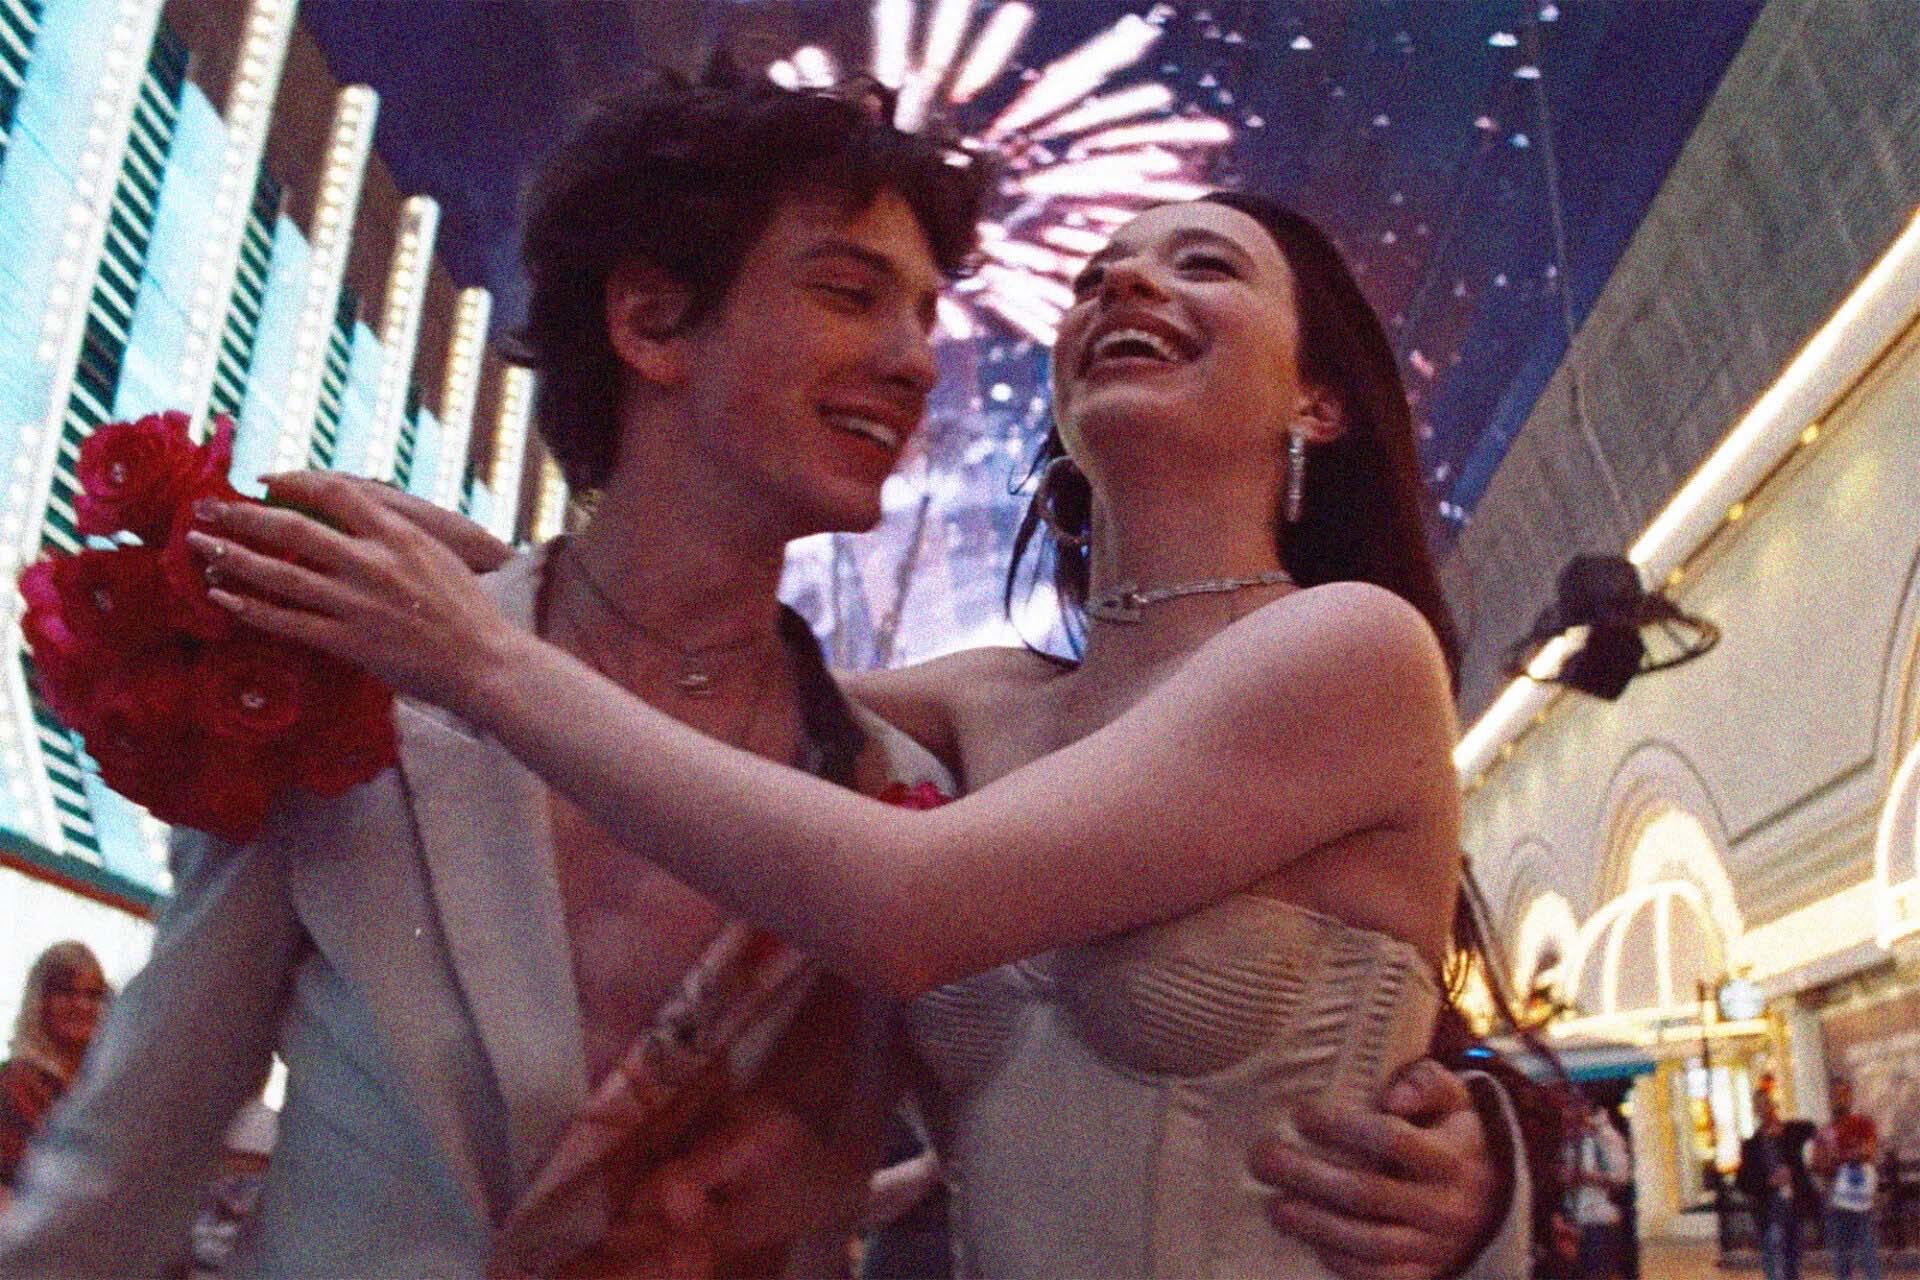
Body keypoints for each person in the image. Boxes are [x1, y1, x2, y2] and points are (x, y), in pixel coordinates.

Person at [0, 71, 1516, 1278]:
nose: (921, 359)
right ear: (650, 319)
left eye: (1205, 264)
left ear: (1320, 399)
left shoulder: (1343, 648)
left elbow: (902, 901)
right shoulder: (950, 720)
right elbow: (664, 673)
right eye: (857, 294)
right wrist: (485, 581)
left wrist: (1487, 1182)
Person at [0, 944, 110, 1203]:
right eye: (66, 992)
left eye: (93, 995)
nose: (81, 1005)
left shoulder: (107, 1084)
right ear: (40, 1001)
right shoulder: (16, 1084)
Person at [1738, 1089, 1818, 1280]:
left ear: (1773, 1106)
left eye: (1767, 1104)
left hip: (1793, 1203)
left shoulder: (1790, 1132)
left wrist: (1783, 1133)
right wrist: (1769, 1181)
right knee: (1774, 1256)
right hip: (1769, 1208)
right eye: (1759, 1106)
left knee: (1792, 1257)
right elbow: (1743, 1181)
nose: (1764, 1110)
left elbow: (1811, 1128)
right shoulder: (1752, 1145)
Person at [1809, 1076, 1882, 1280]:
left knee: (1868, 1251)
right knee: (1840, 1256)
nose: (1838, 1099)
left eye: (1843, 1094)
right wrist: (1846, 1156)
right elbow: (1817, 1163)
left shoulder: (1863, 1124)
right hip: (1834, 1198)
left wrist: (1837, 1157)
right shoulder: (1823, 1131)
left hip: (1861, 1197)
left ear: (1849, 1096)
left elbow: (1867, 1151)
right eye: (1834, 1095)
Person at [1562, 1099, 1631, 1278]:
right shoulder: (1569, 1136)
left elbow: (1621, 1177)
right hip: (1572, 1221)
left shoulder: (1605, 1136)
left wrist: (1585, 1176)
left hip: (1599, 1222)